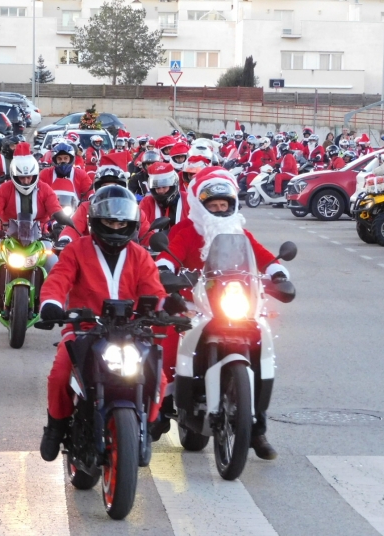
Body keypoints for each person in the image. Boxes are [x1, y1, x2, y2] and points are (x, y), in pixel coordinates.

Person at [38, 185, 181, 461]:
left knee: (159, 377)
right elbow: (58, 279)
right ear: (95, 221)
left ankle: (146, 427)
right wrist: (51, 304)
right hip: (84, 329)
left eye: (121, 222)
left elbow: (154, 290)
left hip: (132, 331)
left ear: (132, 224)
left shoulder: (140, 255)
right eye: (109, 221)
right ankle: (55, 427)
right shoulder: (77, 250)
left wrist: (167, 306)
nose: (115, 227)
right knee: (59, 374)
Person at [155, 167, 290, 459]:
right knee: (168, 338)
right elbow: (169, 255)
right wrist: (166, 270)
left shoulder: (238, 231)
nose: (219, 210)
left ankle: (257, 429)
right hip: (196, 304)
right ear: (201, 206)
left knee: (263, 348)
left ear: (232, 205)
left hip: (238, 303)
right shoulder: (187, 230)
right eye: (213, 205)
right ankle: (162, 407)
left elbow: (264, 256)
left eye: (223, 205)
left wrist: (277, 273)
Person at [0, 143, 64, 305]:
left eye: (29, 177)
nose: (25, 181)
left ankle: (48, 297)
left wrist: (60, 224)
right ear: (14, 175)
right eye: (21, 178)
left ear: (35, 174)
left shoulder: (45, 189)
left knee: (53, 262)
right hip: (7, 235)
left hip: (39, 237)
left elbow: (55, 209)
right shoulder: (4, 189)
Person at [57, 160, 152, 247]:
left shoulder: (133, 209)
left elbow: (146, 233)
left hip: (129, 257)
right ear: (97, 189)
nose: (109, 191)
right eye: (104, 187)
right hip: (91, 255)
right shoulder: (87, 207)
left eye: (114, 186)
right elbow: (73, 228)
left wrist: (152, 243)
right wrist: (66, 239)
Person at [140, 162, 189, 230]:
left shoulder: (188, 199)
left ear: (172, 186)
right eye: (157, 188)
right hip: (154, 239)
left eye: (164, 187)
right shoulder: (146, 202)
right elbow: (141, 229)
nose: (161, 191)